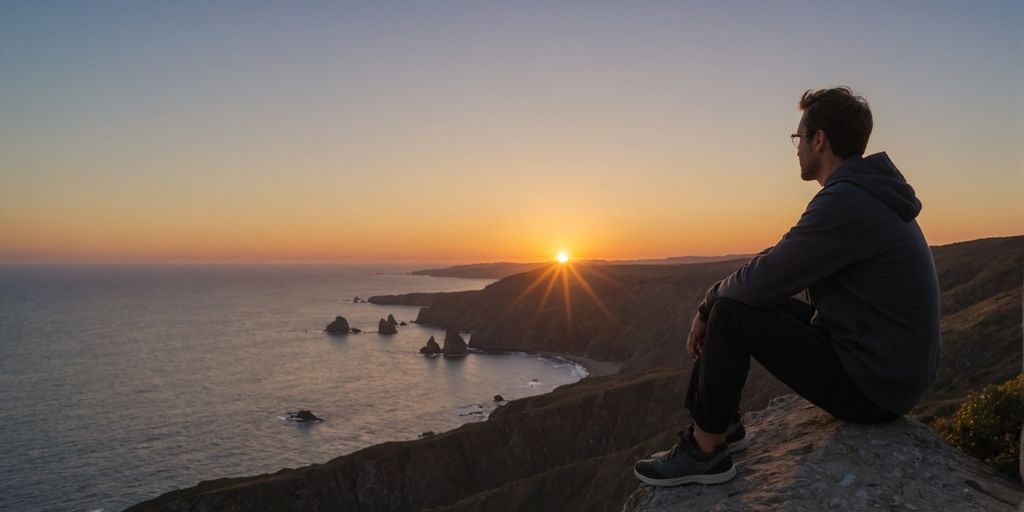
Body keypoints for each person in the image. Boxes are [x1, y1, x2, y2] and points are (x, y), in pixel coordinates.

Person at [633, 87, 941, 487]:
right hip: (887, 370)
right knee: (735, 302)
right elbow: (782, 256)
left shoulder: (847, 201)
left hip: (873, 388)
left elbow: (762, 282)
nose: (795, 148)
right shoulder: (862, 194)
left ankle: (705, 449)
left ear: (819, 140)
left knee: (731, 311)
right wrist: (713, 299)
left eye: (799, 137)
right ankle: (723, 424)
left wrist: (710, 305)